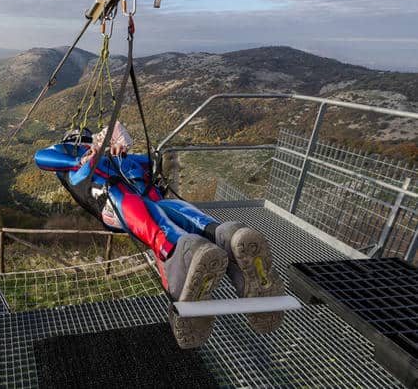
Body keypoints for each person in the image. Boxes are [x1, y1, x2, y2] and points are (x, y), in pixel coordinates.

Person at [34, 122, 285, 348]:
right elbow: (42, 157)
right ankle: (225, 234)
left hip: (123, 197)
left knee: (156, 211)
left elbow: (153, 161)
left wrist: (118, 147)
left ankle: (180, 250)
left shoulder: (106, 158)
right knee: (165, 209)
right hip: (125, 194)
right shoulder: (74, 155)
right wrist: (93, 154)